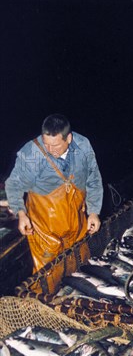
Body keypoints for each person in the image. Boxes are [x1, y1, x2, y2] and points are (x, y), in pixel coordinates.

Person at [5, 114, 103, 273]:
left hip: (76, 221)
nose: (50, 150)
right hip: (45, 227)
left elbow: (93, 179)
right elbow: (14, 185)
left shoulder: (83, 145)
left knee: (80, 264)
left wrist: (93, 211)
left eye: (56, 145)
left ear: (69, 138)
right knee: (49, 273)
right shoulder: (32, 154)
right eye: (46, 144)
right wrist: (21, 213)